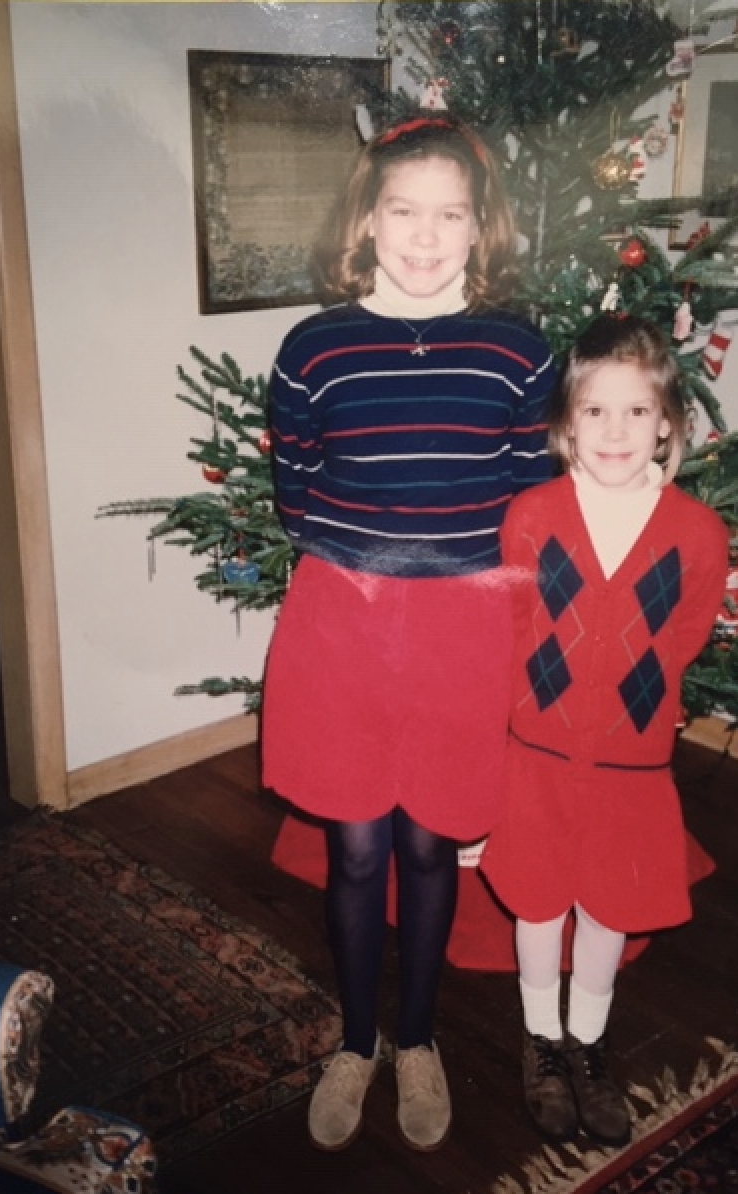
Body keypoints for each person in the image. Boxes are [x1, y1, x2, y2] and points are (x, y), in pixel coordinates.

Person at [261, 115, 556, 1152]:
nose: (426, 237)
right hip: (342, 617)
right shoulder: (313, 349)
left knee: (430, 840)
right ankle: (358, 1042)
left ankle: (419, 1039)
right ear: (367, 220)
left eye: (449, 216)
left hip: (465, 624)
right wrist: (373, 564)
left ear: (480, 228)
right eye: (404, 212)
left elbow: (527, 499)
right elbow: (297, 492)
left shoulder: (519, 352)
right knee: (354, 848)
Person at [480, 314, 729, 1148]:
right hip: (537, 756)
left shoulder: (698, 533)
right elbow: (513, 630)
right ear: (566, 424)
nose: (615, 431)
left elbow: (683, 638)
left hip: (631, 767)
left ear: (667, 423)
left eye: (636, 411)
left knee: (609, 906)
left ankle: (587, 1044)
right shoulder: (532, 515)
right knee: (538, 902)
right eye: (595, 411)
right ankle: (541, 1041)